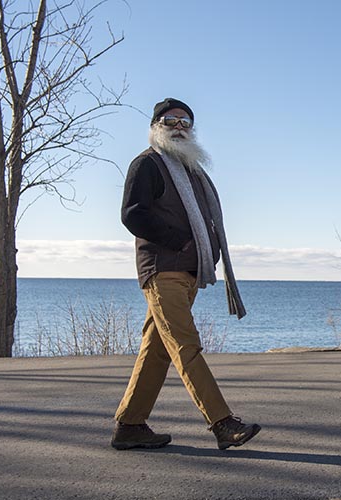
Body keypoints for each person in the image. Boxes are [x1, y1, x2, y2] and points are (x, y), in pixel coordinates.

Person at [111, 98, 260, 451]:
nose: (179, 126)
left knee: (157, 350)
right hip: (162, 269)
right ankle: (222, 423)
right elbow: (133, 214)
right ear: (155, 125)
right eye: (171, 120)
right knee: (186, 345)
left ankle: (130, 425)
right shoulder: (147, 164)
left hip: (189, 273)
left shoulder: (192, 172)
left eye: (186, 122)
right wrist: (177, 240)